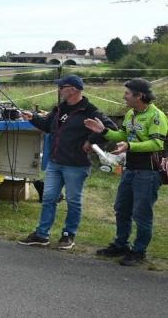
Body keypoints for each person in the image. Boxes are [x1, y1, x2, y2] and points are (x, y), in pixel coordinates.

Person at [18, 75, 116, 250]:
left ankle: (68, 235)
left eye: (61, 87)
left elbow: (110, 130)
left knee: (73, 200)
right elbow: (47, 126)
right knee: (48, 198)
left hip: (76, 164)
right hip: (55, 162)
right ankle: (42, 235)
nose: (59, 90)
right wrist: (32, 117)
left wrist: (91, 140)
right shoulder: (59, 109)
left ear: (72, 90)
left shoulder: (91, 110)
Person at [85, 78, 168, 266]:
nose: (124, 96)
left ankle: (139, 252)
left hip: (148, 172)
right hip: (130, 169)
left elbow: (157, 143)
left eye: (127, 93)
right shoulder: (131, 113)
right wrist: (104, 131)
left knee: (142, 213)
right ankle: (120, 244)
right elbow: (121, 135)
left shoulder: (157, 116)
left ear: (140, 96)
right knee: (121, 209)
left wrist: (130, 145)